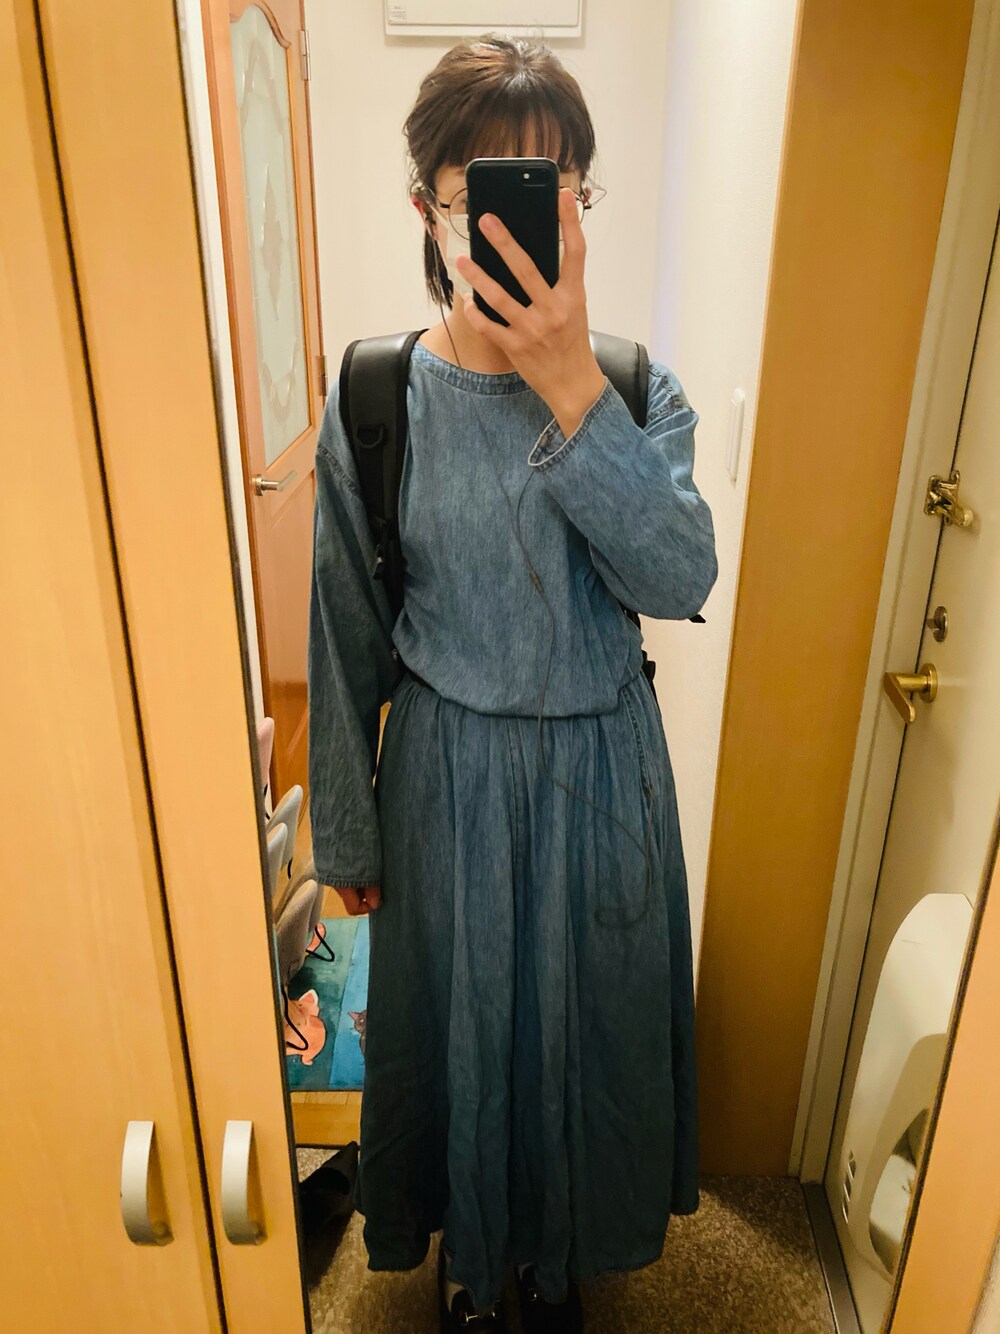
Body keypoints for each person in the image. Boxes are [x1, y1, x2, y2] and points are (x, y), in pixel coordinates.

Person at [306, 33, 718, 1333]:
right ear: (427, 208)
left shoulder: (637, 388)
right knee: (460, 1034)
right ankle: (474, 1268)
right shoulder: (378, 395)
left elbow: (679, 575)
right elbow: (345, 627)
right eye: (486, 190)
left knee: (580, 1035)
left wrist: (567, 379)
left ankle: (551, 1258)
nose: (523, 220)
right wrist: (347, 832)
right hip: (446, 774)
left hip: (603, 771)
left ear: (582, 210)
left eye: (553, 190)